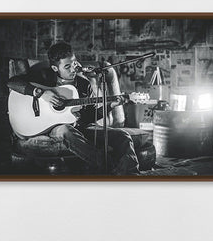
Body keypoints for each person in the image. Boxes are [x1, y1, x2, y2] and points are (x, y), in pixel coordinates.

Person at [7, 41, 139, 175]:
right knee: (66, 130)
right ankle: (108, 169)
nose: (73, 69)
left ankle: (131, 175)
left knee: (123, 136)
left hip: (80, 127)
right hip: (53, 127)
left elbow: (91, 115)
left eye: (74, 63)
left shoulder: (83, 84)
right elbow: (12, 83)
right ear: (55, 68)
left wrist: (110, 106)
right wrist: (40, 93)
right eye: (67, 67)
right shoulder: (43, 76)